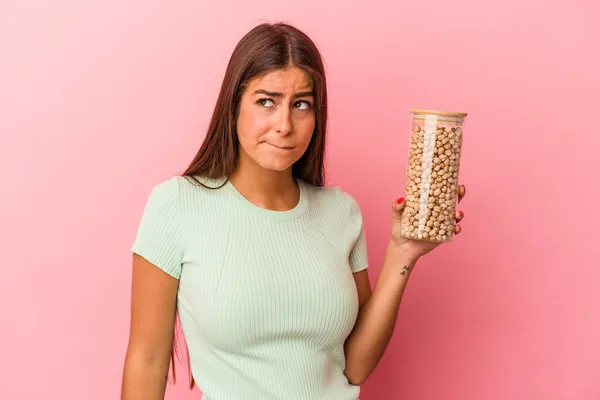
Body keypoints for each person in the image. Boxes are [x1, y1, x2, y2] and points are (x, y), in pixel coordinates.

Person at [120, 22, 466, 400]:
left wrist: (403, 252)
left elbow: (355, 365)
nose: (284, 125)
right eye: (266, 101)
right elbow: (147, 359)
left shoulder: (340, 212)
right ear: (233, 105)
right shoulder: (177, 205)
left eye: (301, 104)